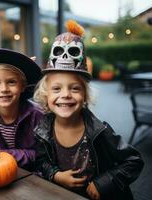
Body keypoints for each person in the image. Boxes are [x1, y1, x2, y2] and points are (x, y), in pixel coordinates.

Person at [33, 20, 144, 200]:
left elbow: (133, 161)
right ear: (46, 95)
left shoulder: (100, 131)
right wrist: (55, 175)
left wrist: (104, 183)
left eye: (75, 88)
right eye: (56, 89)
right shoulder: (43, 128)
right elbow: (40, 160)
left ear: (85, 95)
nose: (66, 94)